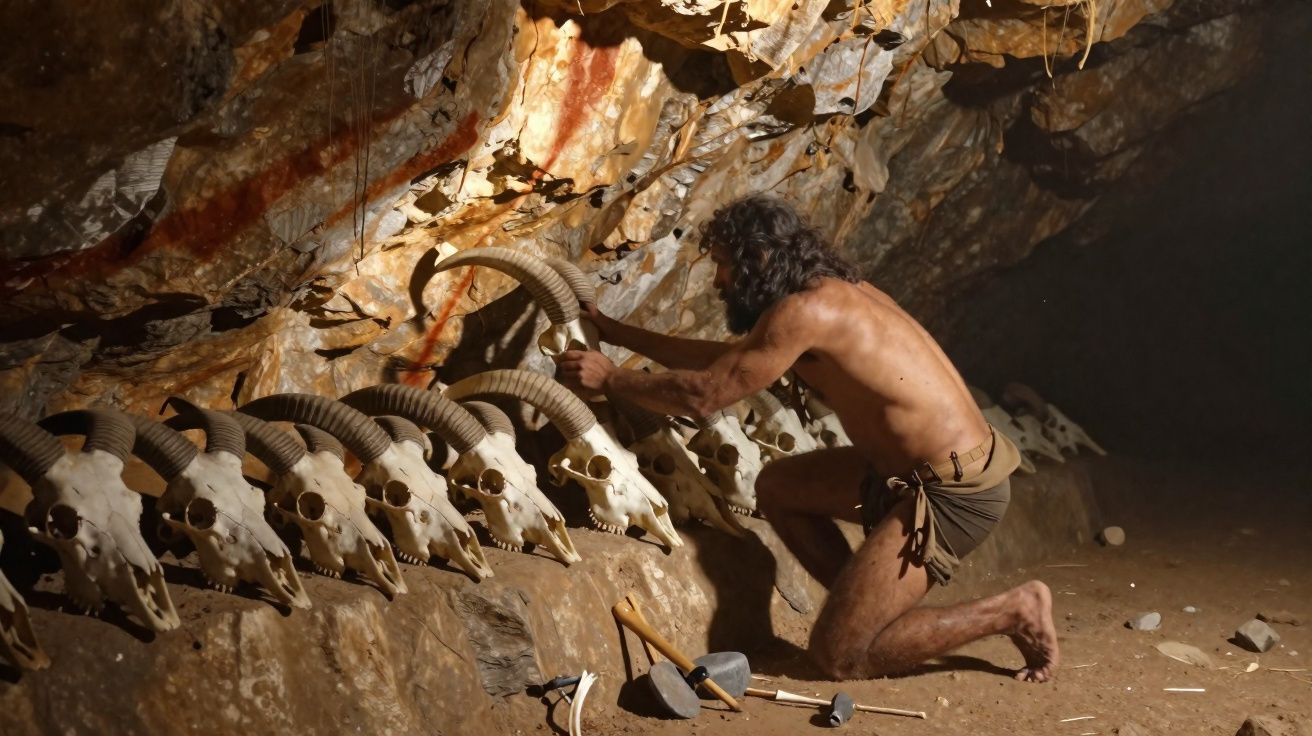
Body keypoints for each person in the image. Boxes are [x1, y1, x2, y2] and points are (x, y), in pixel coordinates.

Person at [557, 194, 1058, 683]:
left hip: (955, 491)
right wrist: (620, 334)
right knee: (778, 487)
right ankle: (860, 605)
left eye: (722, 265)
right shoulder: (826, 293)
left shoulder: (807, 312)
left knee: (840, 657)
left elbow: (705, 394)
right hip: (908, 473)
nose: (717, 282)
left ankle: (1012, 610)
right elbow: (727, 361)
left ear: (756, 259)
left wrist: (612, 380)